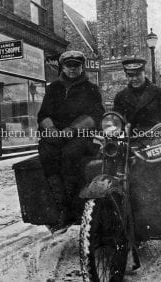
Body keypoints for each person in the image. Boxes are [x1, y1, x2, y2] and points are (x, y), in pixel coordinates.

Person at [37, 50, 104, 229]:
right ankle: (60, 206)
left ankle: (73, 207)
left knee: (70, 154)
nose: (72, 69)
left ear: (81, 67)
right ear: (63, 67)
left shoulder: (91, 89)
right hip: (57, 135)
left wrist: (73, 129)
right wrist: (50, 129)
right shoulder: (53, 89)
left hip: (82, 136)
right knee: (46, 152)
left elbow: (96, 116)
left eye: (76, 66)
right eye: (68, 66)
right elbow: (43, 114)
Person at [113, 57, 161, 238]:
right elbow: (116, 116)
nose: (134, 78)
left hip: (156, 137)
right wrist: (115, 125)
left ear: (144, 72)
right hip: (134, 138)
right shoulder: (122, 96)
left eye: (137, 74)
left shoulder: (159, 92)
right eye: (130, 75)